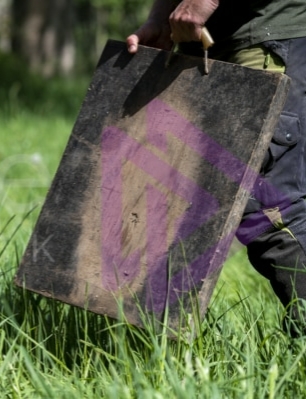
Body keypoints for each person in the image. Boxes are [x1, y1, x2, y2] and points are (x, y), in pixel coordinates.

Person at [126, 0, 306, 335]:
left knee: (269, 209)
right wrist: (161, 18)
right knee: (186, 196)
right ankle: (153, 351)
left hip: (266, 38)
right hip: (212, 44)